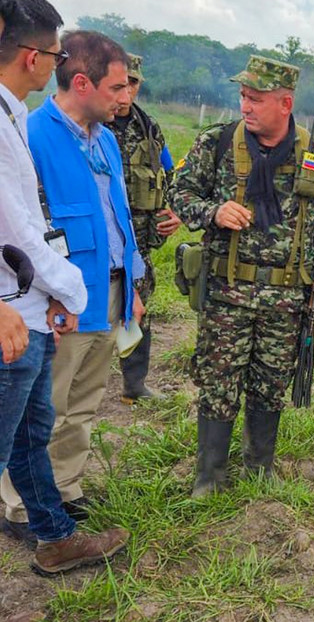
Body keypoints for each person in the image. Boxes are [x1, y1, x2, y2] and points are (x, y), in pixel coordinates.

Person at [170, 55, 314, 497]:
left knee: (270, 383)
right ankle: (209, 476)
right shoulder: (216, 143)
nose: (246, 106)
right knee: (218, 380)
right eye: (243, 97)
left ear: (285, 103)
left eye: (256, 99)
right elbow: (179, 190)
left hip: (286, 300)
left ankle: (259, 466)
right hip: (227, 292)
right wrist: (213, 211)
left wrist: (311, 268)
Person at [0, 29, 146, 538]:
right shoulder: (32, 135)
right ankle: (21, 507)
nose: (125, 98)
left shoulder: (106, 139)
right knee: (44, 407)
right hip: (56, 297)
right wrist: (47, 295)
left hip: (109, 289)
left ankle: (65, 489)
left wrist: (134, 284)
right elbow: (21, 226)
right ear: (81, 82)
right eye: (117, 88)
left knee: (84, 402)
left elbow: (118, 214)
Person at [106, 52, 181, 404]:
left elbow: (170, 175)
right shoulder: (90, 122)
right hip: (99, 239)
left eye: (134, 83)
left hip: (138, 242)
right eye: (122, 82)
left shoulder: (148, 127)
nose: (127, 91)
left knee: (138, 309)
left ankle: (133, 385)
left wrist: (173, 211)